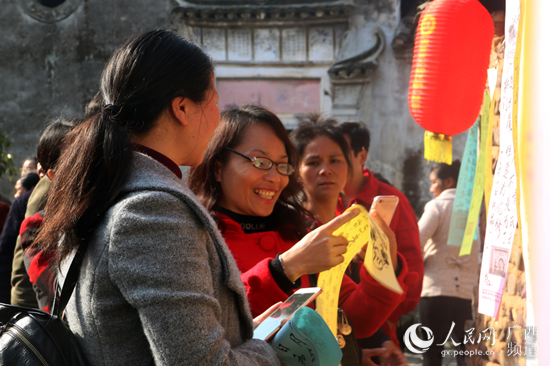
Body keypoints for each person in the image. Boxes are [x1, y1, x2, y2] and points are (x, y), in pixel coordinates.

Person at [33, 30, 279, 365]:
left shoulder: (109, 185)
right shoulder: (152, 210)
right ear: (181, 108)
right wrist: (271, 351)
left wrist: (243, 335)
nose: (218, 116)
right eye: (215, 101)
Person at [188, 105, 410, 341]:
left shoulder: (296, 234)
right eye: (260, 162)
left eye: (282, 165)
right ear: (218, 168)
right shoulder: (194, 238)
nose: (275, 178)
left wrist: (383, 265)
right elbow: (199, 328)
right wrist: (284, 269)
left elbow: (352, 320)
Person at [291, 117, 408, 366]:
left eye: (335, 160)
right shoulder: (291, 232)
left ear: (350, 168)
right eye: (313, 162)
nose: (326, 170)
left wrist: (380, 342)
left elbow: (352, 310)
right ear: (296, 170)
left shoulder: (354, 224)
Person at [337, 121, 423, 347]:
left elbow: (412, 267)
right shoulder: (323, 202)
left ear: (361, 156)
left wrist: (388, 316)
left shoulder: (392, 200)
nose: (329, 167)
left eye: (339, 155)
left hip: (379, 329)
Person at [10, 117, 83, 309]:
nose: (86, 169)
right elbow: (61, 290)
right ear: (52, 175)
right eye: (75, 161)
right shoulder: (37, 222)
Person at [418, 160, 478, 366]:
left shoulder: (437, 207)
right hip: (465, 295)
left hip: (436, 290)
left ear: (448, 181)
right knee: (464, 352)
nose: (431, 188)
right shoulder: (473, 210)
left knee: (432, 354)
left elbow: (416, 241)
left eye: (434, 182)